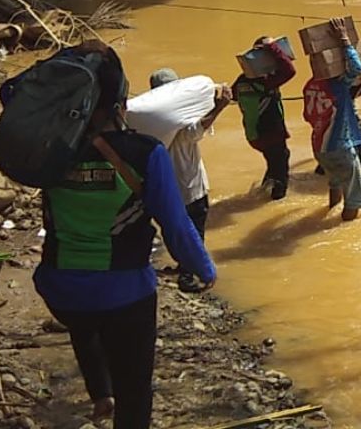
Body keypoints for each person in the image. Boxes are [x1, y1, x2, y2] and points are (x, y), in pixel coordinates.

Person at [29, 42, 215, 428]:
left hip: (57, 287)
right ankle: (117, 404)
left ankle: (101, 396)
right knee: (136, 388)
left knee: (85, 325)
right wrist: (206, 270)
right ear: (121, 102)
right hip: (124, 292)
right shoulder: (144, 153)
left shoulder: (49, 149)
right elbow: (177, 228)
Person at [147, 68, 231, 293]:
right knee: (194, 231)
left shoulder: (150, 123)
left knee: (172, 229)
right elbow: (196, 129)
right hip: (190, 188)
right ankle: (189, 275)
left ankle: (182, 265)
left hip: (165, 189)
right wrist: (220, 106)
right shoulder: (180, 122)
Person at [302, 18, 361, 220]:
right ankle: (345, 228)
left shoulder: (310, 85)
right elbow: (357, 68)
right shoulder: (336, 85)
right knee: (354, 198)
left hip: (320, 147)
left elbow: (307, 116)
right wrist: (345, 40)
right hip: (340, 146)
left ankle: (329, 211)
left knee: (335, 182)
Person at [232, 36, 296, 200]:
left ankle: (264, 189)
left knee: (273, 161)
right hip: (271, 134)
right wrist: (273, 47)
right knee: (281, 164)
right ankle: (276, 199)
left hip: (254, 135)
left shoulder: (242, 80)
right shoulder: (266, 81)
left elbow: (232, 95)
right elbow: (290, 70)